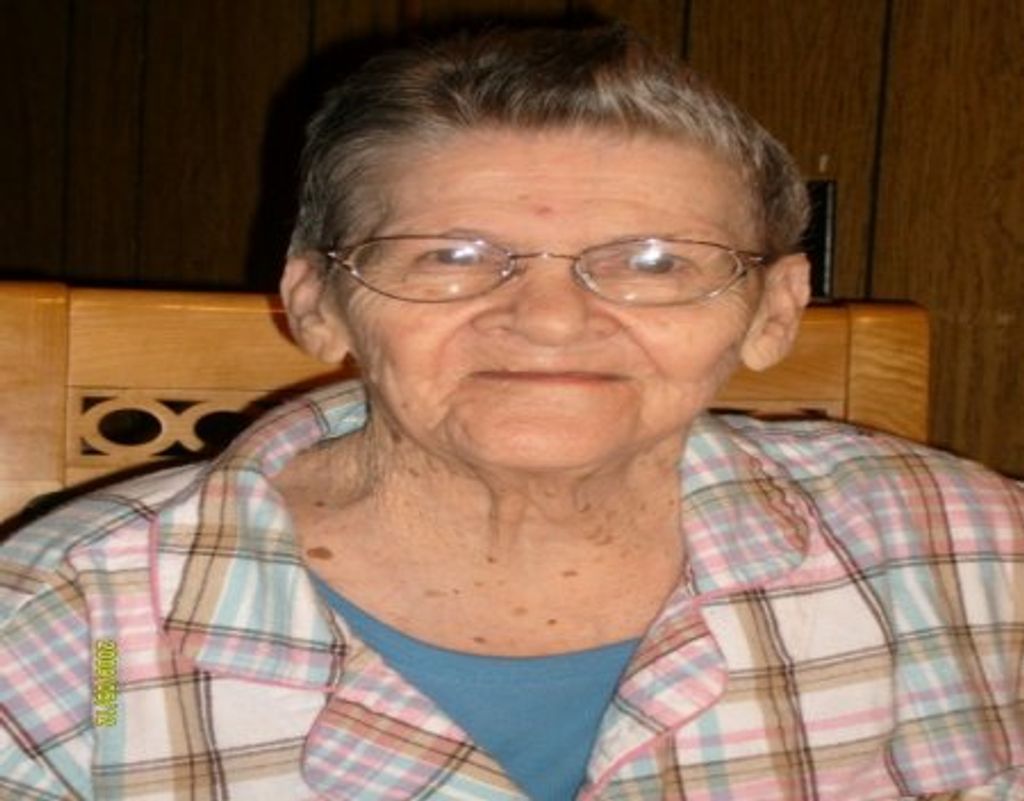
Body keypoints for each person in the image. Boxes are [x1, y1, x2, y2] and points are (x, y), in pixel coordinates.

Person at [1, 24, 1021, 801]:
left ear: (773, 312)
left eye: (654, 262)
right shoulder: (67, 628)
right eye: (450, 255)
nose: (548, 319)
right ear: (317, 304)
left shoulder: (961, 544)